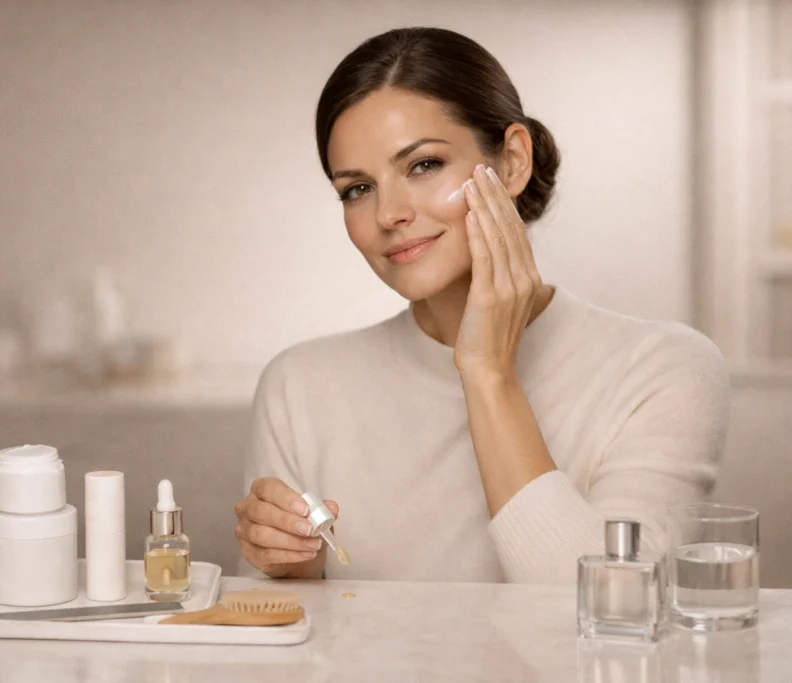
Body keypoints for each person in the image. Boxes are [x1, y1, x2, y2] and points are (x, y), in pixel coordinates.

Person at [232, 27, 730, 584]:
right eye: (357, 189)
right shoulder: (299, 387)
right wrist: (297, 572)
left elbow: (612, 609)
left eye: (423, 165)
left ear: (514, 161)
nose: (389, 213)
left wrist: (489, 375)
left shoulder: (664, 370)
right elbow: (277, 646)